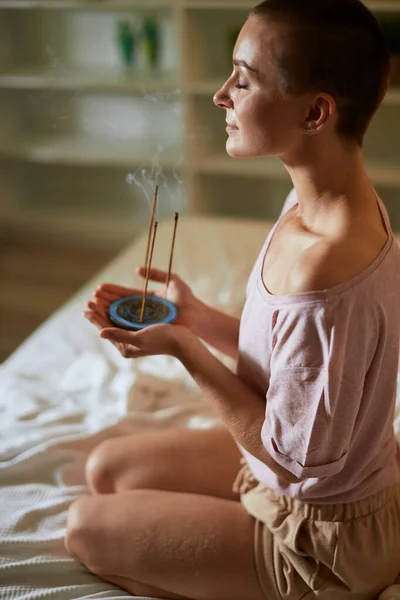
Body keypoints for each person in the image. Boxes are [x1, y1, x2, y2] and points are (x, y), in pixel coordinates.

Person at [64, 1, 400, 598]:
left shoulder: (327, 266)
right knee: (104, 470)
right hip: (285, 476)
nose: (222, 95)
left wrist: (184, 349)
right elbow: (288, 360)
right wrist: (197, 318)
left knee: (83, 529)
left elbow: (292, 455)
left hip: (322, 537)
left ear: (315, 112)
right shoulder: (317, 203)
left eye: (243, 79)